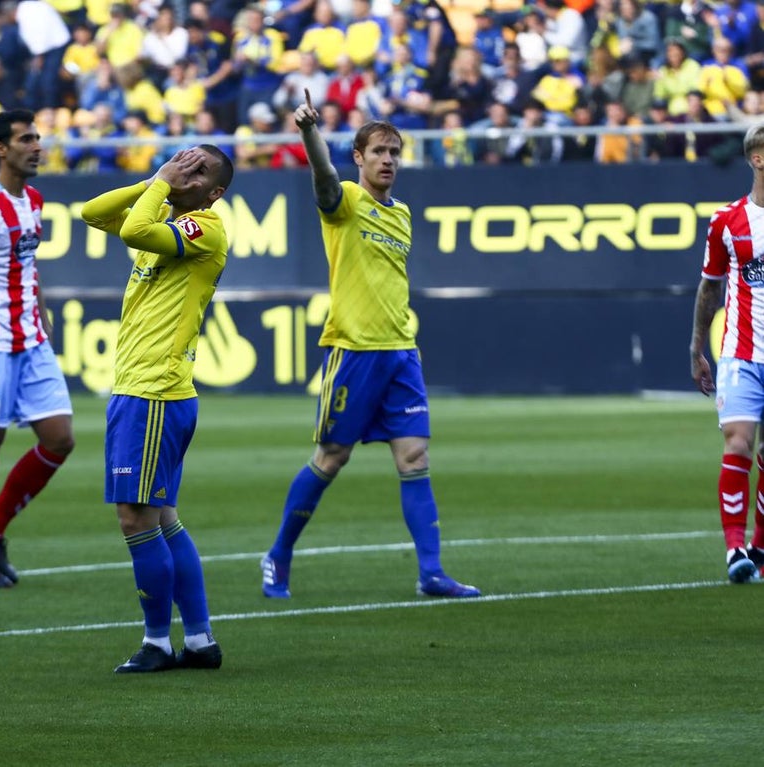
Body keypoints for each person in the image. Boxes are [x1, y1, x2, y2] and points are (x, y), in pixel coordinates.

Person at [260, 89, 481, 601]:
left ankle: (431, 573)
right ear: (358, 158)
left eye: (394, 153)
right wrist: (311, 131)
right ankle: (278, 553)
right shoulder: (345, 203)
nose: (388, 161)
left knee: (414, 458)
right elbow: (322, 178)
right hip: (354, 351)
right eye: (378, 152)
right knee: (332, 457)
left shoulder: (400, 214)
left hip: (401, 352)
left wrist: (409, 343)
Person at [80, 145, 233, 673]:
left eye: (199, 172)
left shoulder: (204, 228)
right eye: (182, 163)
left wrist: (162, 184)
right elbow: (93, 212)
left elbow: (131, 231)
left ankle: (156, 644)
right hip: (146, 393)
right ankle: (198, 639)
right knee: (164, 519)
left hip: (154, 395)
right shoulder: (163, 218)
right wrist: (156, 178)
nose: (186, 174)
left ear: (214, 193)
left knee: (135, 519)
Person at [0, 108, 75, 589]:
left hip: (32, 338)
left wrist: (41, 310)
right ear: (1, 149)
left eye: (38, 137)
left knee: (60, 438)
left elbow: (28, 264)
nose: (37, 146)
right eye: (26, 139)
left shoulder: (35, 200)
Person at [689, 123, 764, 584]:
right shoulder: (727, 220)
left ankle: (759, 546)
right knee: (738, 441)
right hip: (740, 352)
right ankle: (735, 548)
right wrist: (697, 345)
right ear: (758, 158)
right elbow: (709, 286)